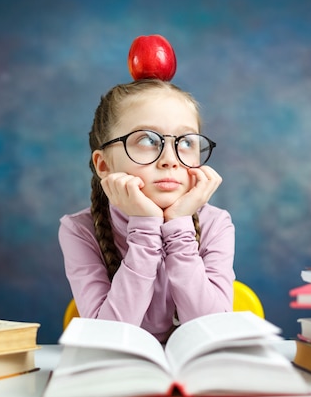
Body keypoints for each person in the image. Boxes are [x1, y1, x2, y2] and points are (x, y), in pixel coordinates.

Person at [59, 79, 235, 342]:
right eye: (147, 140)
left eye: (186, 142)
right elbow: (108, 340)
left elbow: (213, 335)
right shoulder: (79, 230)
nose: (170, 160)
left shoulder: (216, 224)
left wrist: (178, 226)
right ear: (104, 164)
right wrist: (144, 226)